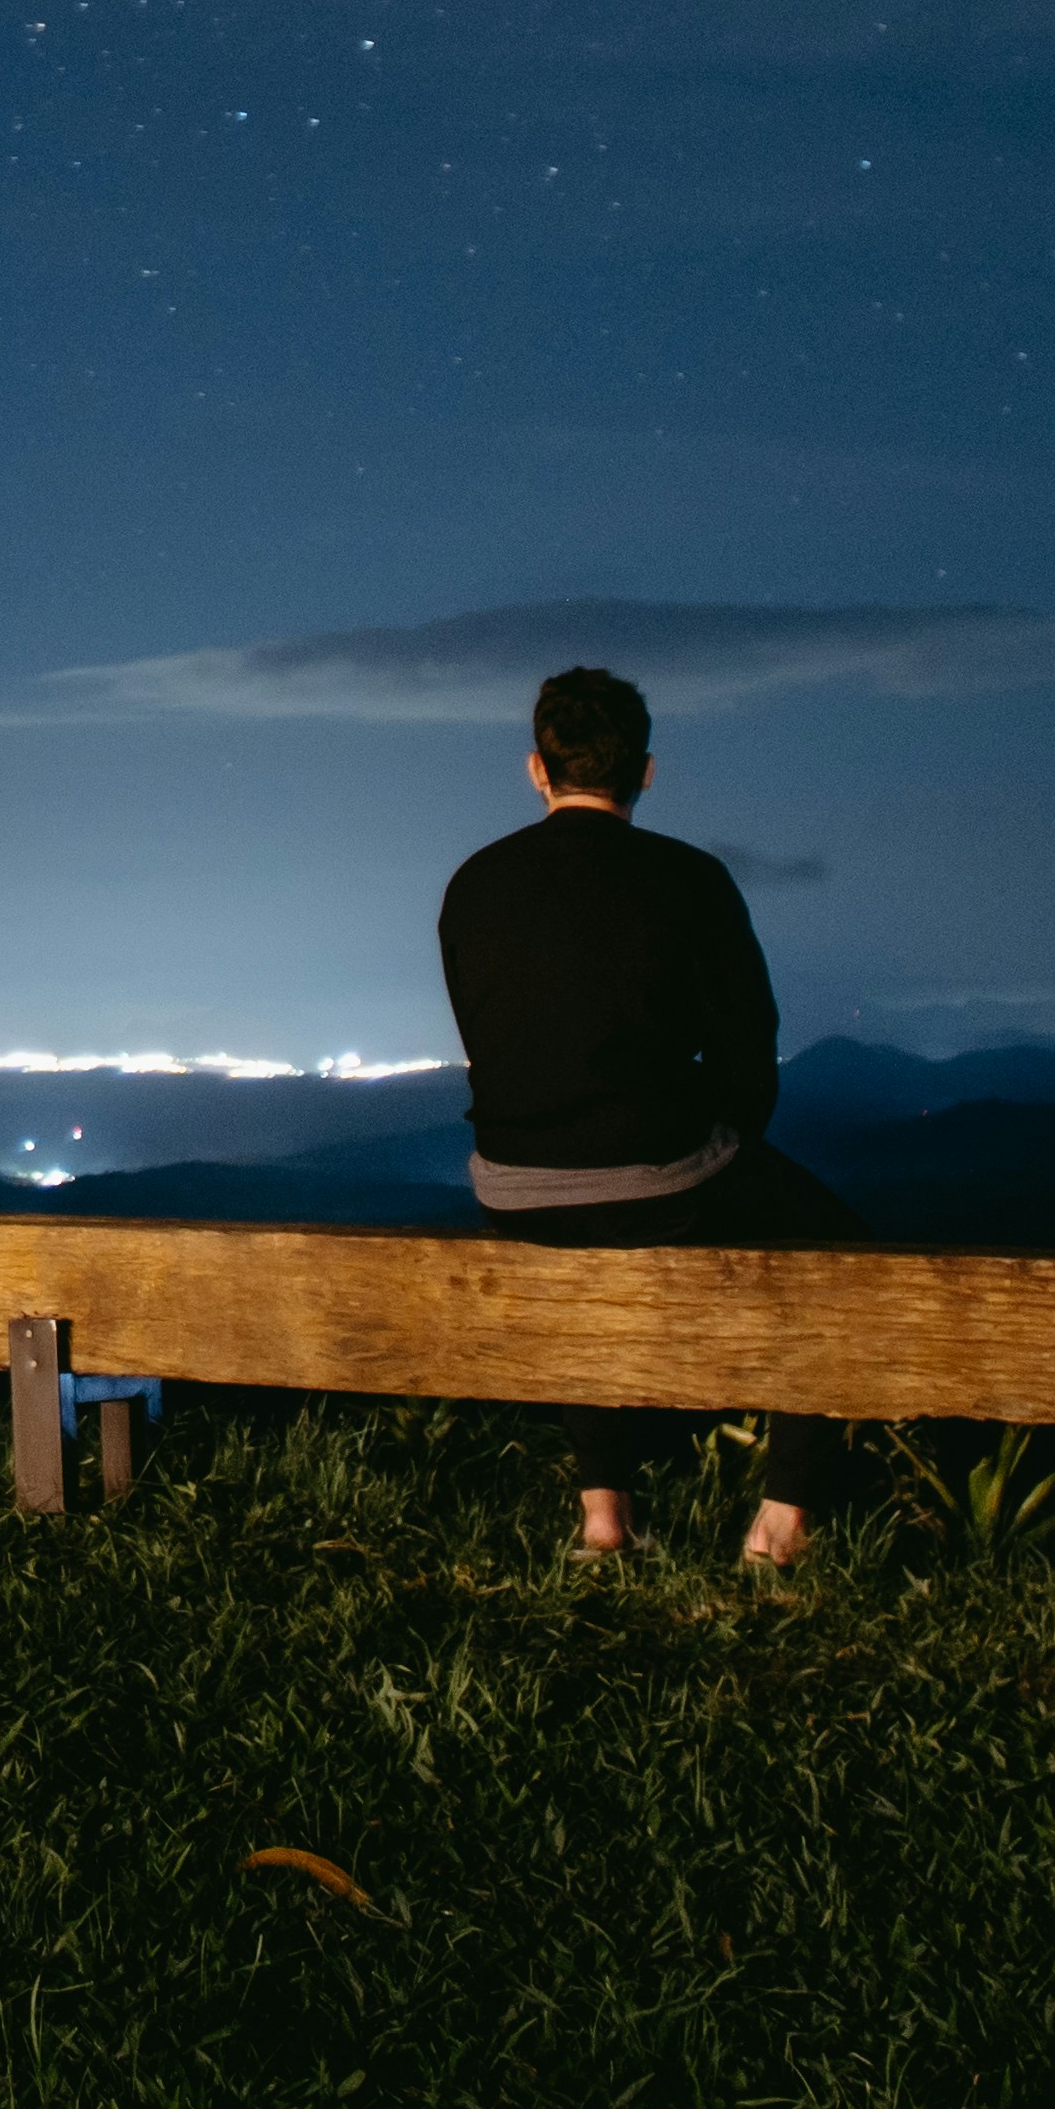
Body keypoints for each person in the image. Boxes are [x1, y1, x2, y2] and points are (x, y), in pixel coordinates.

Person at [437, 662, 859, 1564]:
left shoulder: (473, 882)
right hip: (659, 1168)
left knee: (579, 1273)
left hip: (508, 1183)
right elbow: (751, 1045)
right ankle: (781, 1523)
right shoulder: (689, 879)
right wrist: (721, 1135)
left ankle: (604, 1519)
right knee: (842, 1256)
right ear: (646, 771)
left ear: (537, 769)